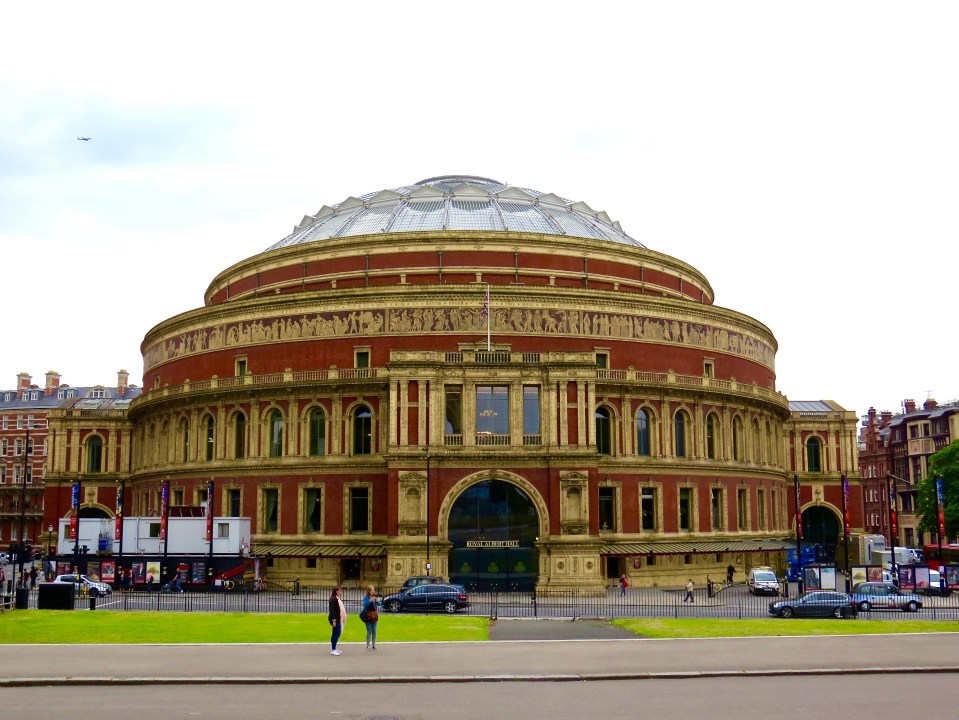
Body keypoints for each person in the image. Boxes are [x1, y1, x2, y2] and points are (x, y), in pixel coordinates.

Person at [328, 586, 347, 656]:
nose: (340, 592)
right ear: (336, 591)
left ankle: (334, 648)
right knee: (336, 633)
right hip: (335, 619)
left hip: (337, 618)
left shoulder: (336, 599)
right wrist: (334, 620)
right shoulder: (333, 599)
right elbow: (332, 611)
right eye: (339, 591)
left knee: (335, 634)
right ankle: (333, 649)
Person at [361, 585, 380, 650]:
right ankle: (368, 645)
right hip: (368, 615)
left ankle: (374, 645)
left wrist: (377, 601)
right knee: (369, 631)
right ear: (369, 591)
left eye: (373, 590)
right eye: (372, 590)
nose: (373, 591)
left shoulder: (375, 597)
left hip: (374, 615)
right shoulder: (366, 598)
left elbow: (380, 604)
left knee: (374, 631)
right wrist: (370, 601)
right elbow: (365, 605)